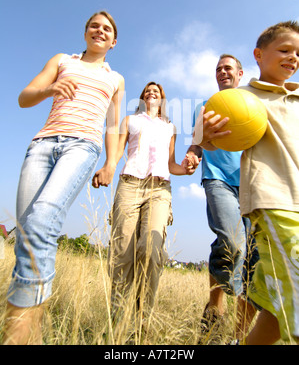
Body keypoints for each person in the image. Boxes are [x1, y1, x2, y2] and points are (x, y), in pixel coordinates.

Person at [3, 11, 125, 345]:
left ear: (113, 42)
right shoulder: (62, 60)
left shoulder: (116, 79)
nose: (99, 30)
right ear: (85, 33)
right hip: (42, 145)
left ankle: (17, 334)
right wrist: (50, 88)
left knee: (43, 220)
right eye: (94, 25)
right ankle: (36, 332)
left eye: (107, 29)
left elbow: (114, 125)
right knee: (28, 233)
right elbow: (24, 97)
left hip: (83, 147)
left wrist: (111, 163)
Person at [93, 82, 194, 337]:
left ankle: (142, 321)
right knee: (122, 253)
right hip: (130, 185)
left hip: (159, 189)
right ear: (142, 98)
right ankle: (118, 320)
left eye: (156, 92)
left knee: (149, 249)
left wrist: (186, 168)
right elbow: (117, 151)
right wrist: (108, 166)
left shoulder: (170, 127)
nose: (152, 93)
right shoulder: (130, 120)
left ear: (162, 99)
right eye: (148, 91)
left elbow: (171, 163)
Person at [182, 54, 258, 343]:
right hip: (217, 179)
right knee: (232, 241)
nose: (222, 72)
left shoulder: (254, 103)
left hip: (252, 185)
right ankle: (217, 304)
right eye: (218, 69)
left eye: (228, 68)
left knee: (251, 256)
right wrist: (192, 153)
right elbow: (198, 141)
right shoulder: (205, 106)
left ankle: (236, 333)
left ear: (240, 73)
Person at [236, 21, 299, 345]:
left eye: (298, 53)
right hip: (275, 201)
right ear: (259, 55)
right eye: (285, 50)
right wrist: (210, 133)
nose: (293, 58)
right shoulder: (243, 97)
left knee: (277, 309)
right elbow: (210, 140)